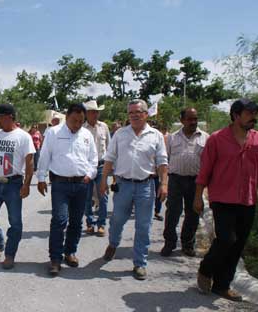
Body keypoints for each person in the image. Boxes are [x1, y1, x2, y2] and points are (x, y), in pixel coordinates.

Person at [194, 98, 258, 301]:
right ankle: (206, 269)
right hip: (222, 198)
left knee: (238, 244)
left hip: (247, 200)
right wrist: (198, 196)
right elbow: (205, 170)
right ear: (236, 115)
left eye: (255, 113)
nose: (254, 117)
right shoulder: (217, 139)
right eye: (250, 113)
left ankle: (222, 286)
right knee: (226, 239)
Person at [99, 99, 168, 281]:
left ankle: (140, 263)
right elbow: (109, 158)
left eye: (138, 112)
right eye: (131, 113)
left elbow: (162, 162)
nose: (135, 115)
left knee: (144, 226)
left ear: (146, 114)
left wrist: (164, 184)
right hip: (123, 185)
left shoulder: (156, 135)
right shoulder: (120, 134)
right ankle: (113, 244)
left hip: (146, 185)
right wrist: (103, 180)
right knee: (116, 221)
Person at [37, 103, 98, 276]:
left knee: (76, 221)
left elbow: (93, 159)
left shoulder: (86, 135)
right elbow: (45, 155)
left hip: (81, 184)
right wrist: (41, 178)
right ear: (67, 116)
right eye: (74, 120)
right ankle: (55, 259)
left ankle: (70, 252)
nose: (77, 124)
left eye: (81, 121)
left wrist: (90, 174)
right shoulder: (53, 132)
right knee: (59, 219)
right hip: (60, 184)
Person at [0, 103, 35, 270]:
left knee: (15, 222)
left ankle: (10, 254)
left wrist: (26, 184)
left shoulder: (23, 137)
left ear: (10, 117)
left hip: (14, 183)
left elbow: (30, 162)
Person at [161, 108, 209, 258]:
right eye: (189, 119)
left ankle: (187, 244)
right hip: (175, 179)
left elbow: (208, 162)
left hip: (196, 181)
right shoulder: (172, 138)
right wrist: (164, 182)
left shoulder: (205, 138)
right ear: (182, 120)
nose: (193, 122)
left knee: (193, 213)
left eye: (195, 119)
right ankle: (169, 242)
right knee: (173, 212)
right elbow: (165, 159)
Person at [83, 100, 110, 237]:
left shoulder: (104, 127)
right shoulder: (81, 128)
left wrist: (111, 169)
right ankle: (89, 223)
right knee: (87, 197)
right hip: (86, 167)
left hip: (101, 166)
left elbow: (110, 148)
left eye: (96, 111)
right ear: (86, 114)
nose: (95, 114)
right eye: (92, 111)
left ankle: (101, 224)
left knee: (103, 196)